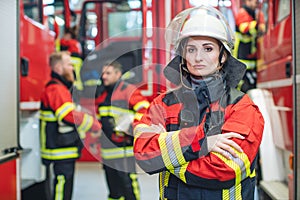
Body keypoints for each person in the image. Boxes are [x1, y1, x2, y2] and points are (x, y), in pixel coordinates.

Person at [133, 5, 264, 200]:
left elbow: (225, 169)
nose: (198, 57)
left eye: (208, 49)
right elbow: (144, 155)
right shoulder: (163, 104)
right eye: (191, 49)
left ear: (223, 57)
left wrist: (168, 157)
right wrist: (201, 143)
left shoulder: (242, 107)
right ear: (183, 57)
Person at [39, 51, 102, 200]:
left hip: (63, 147)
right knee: (62, 187)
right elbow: (68, 115)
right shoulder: (56, 89)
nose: (72, 68)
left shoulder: (62, 88)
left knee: (65, 186)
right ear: (59, 68)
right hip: (59, 149)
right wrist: (93, 124)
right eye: (69, 64)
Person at [95, 60, 150, 200]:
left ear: (118, 74)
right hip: (107, 152)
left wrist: (128, 126)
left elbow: (145, 110)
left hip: (124, 149)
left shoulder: (128, 90)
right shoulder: (101, 94)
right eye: (103, 73)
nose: (104, 76)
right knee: (113, 191)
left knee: (128, 187)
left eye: (108, 73)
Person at [233, 0, 265, 92]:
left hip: (250, 57)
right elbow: (245, 29)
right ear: (248, 1)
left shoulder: (254, 14)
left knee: (250, 86)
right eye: (255, 2)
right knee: (243, 87)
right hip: (242, 57)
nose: (257, 4)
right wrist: (258, 24)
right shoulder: (242, 13)